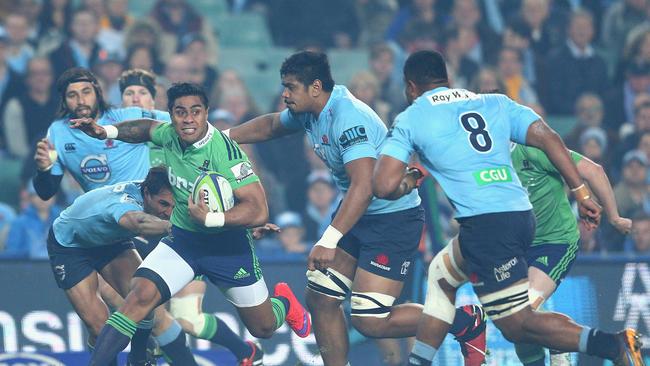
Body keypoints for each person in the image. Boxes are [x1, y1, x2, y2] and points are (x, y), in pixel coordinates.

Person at [372, 49, 644, 366]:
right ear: (447, 79)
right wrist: (581, 192)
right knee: (442, 274)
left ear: (410, 87)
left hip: (488, 225)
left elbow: (383, 186)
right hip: (518, 217)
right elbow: (548, 136)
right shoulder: (494, 102)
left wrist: (409, 178)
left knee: (519, 325)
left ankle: (612, 345)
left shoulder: (412, 116)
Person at [222, 51, 488, 366]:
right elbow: (269, 126)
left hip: (392, 219)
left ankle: (463, 322)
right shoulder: (309, 110)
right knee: (320, 296)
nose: (285, 94)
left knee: (370, 320)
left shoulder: (348, 118)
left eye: (291, 87)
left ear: (316, 87)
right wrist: (220, 139)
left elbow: (363, 187)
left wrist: (329, 239)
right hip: (358, 214)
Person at [70, 82, 311, 366]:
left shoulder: (226, 152)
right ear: (171, 115)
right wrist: (106, 131)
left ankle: (284, 303)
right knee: (139, 297)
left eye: (196, 112)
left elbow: (258, 210)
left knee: (263, 328)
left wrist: (211, 218)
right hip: (184, 242)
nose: (188, 119)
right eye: (180, 112)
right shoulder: (169, 133)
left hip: (228, 248)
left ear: (206, 112)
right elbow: (144, 128)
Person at [32, 67, 198, 365]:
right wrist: (44, 170)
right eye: (72, 95)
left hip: (131, 226)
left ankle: (146, 359)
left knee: (148, 304)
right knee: (100, 325)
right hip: (81, 235)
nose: (80, 100)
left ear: (97, 91)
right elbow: (46, 192)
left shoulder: (127, 117)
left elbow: (186, 129)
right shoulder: (57, 132)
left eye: (85, 91)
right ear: (64, 101)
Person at [119, 69, 266, 365]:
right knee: (142, 302)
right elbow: (142, 129)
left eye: (142, 94)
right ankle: (142, 358)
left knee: (190, 318)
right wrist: (105, 132)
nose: (136, 99)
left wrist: (228, 217)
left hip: (213, 238)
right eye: (129, 95)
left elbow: (254, 205)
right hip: (164, 235)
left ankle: (248, 346)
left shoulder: (212, 145)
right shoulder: (142, 140)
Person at [510, 143, 632, 366]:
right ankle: (556, 341)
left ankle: (568, 341)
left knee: (522, 310)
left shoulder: (534, 148)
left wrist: (614, 217)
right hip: (515, 247)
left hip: (555, 242)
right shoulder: (483, 160)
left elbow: (593, 170)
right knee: (515, 324)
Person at [46, 168, 175, 365]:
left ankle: (138, 359)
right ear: (146, 193)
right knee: (99, 328)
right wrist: (174, 226)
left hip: (109, 240)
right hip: (70, 246)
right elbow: (138, 223)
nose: (168, 212)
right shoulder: (123, 204)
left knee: (147, 297)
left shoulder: (152, 188)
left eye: (173, 206)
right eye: (163, 204)